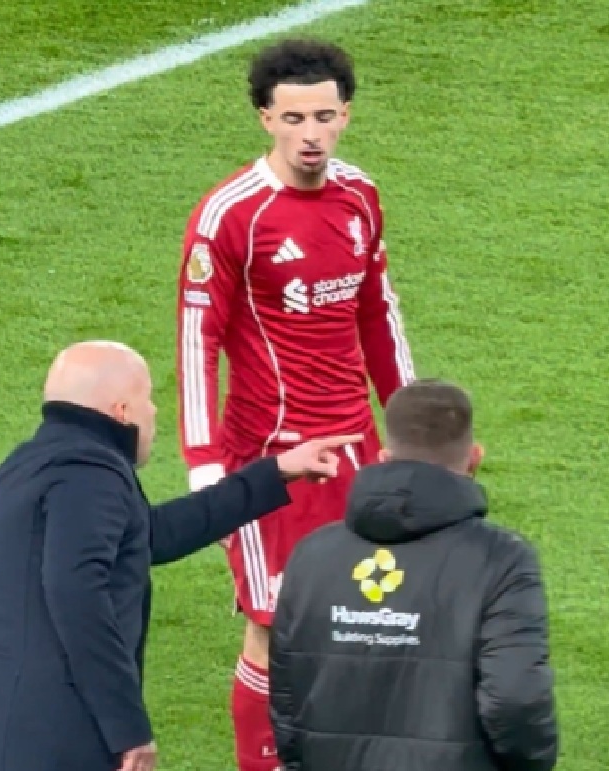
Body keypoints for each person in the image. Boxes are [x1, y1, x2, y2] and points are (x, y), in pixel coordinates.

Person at [0, 341, 360, 771]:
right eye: (148, 399)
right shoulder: (90, 475)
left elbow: (150, 535)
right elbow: (76, 593)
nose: (154, 413)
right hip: (47, 737)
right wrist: (126, 725)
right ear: (121, 411)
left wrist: (278, 471)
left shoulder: (28, 465)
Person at [174, 38, 416, 770]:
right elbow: (197, 337)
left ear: (345, 115)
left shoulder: (360, 196)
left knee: (370, 608)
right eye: (292, 118)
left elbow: (377, 311)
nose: (309, 133)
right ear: (263, 119)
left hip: (356, 450)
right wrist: (203, 460)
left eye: (323, 115)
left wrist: (410, 423)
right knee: (273, 623)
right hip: (270, 459)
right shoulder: (231, 215)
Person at [268, 379, 560, 770]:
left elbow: (286, 699)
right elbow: (515, 697)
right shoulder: (502, 560)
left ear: (385, 458)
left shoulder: (312, 555)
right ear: (474, 458)